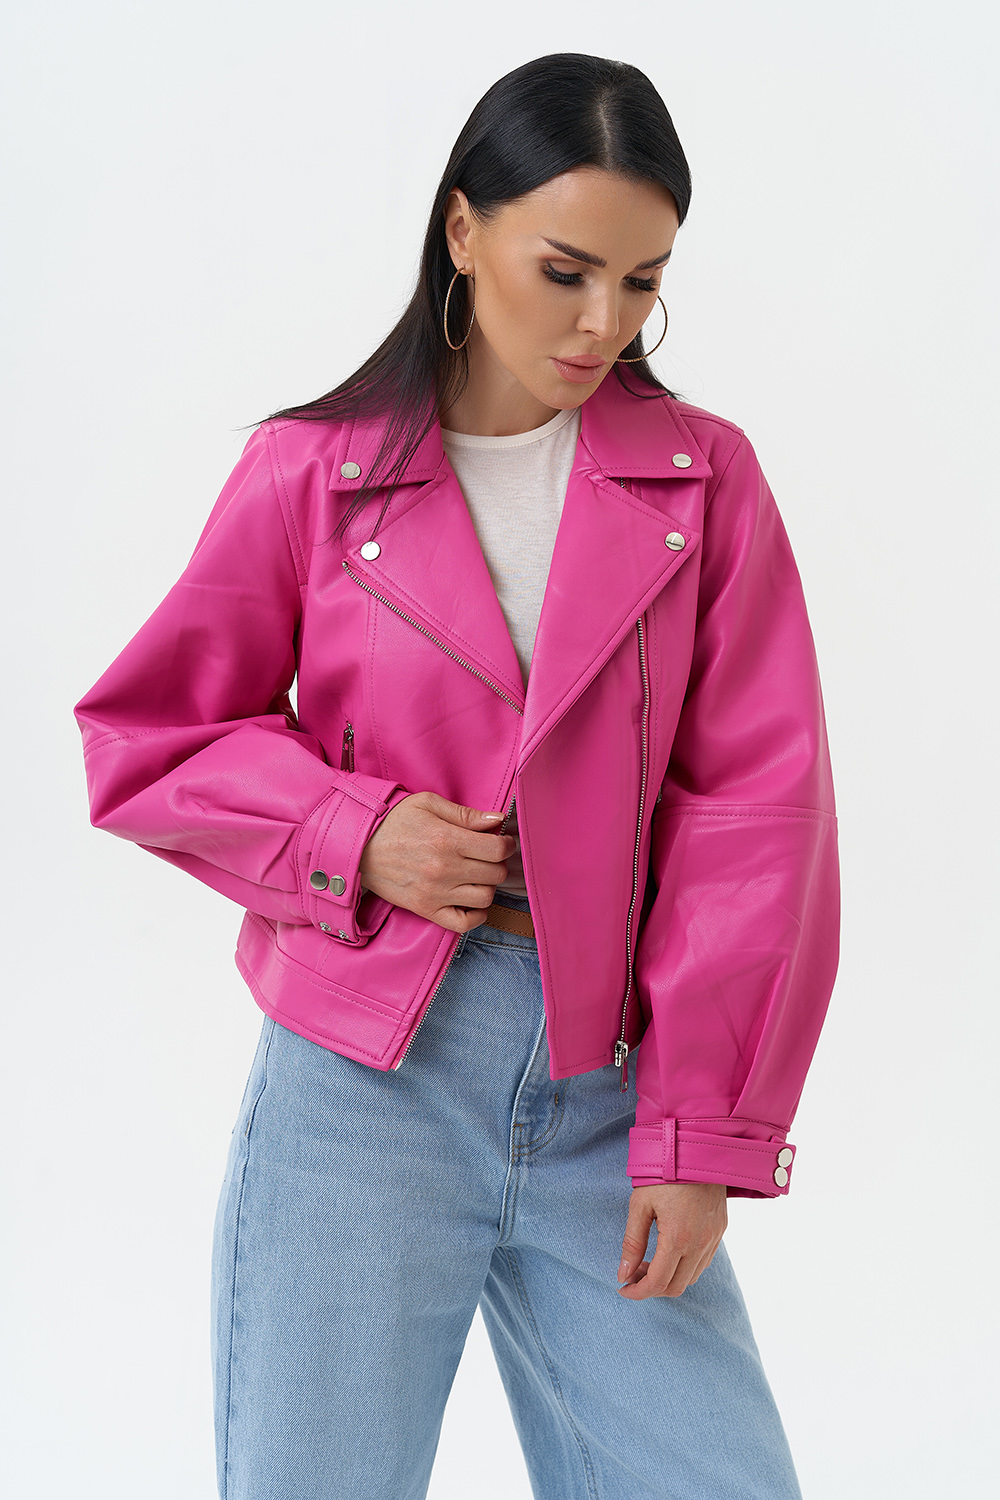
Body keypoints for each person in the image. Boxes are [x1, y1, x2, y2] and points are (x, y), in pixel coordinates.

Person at [74, 51, 840, 1500]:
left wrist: (700, 1132)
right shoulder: (311, 473)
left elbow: (755, 815)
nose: (604, 322)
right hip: (362, 1089)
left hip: (611, 1078)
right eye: (566, 271)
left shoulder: (706, 483)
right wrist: (352, 832)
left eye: (642, 282)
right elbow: (149, 735)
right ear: (464, 229)